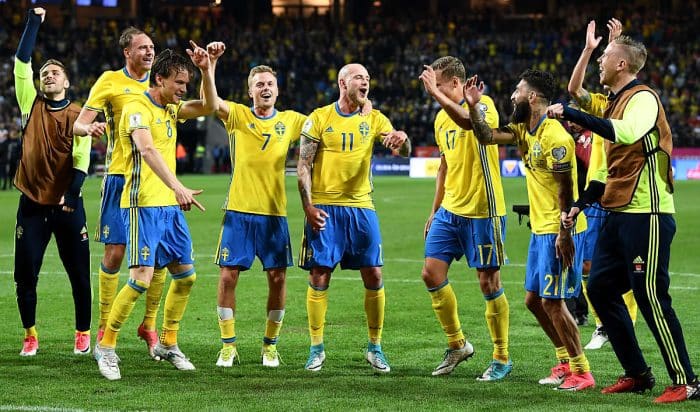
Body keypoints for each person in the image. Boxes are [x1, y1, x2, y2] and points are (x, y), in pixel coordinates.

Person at [548, 33, 700, 404]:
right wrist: (580, 204)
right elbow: (607, 170)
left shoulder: (644, 98)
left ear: (622, 64)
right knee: (599, 288)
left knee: (650, 293)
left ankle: (687, 380)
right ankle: (637, 373)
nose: (600, 61)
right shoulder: (615, 103)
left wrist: (571, 112)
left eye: (605, 56)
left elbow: (629, 133)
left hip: (647, 212)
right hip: (619, 212)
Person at [464, 69, 595, 391]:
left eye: (518, 91)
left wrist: (564, 233)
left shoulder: (556, 137)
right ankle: (564, 361)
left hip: (560, 228)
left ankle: (582, 372)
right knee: (534, 301)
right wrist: (472, 106)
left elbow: (567, 189)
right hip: (541, 228)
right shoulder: (525, 129)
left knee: (553, 302)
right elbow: (486, 136)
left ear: (532, 97)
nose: (512, 96)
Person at [95, 44, 217, 380]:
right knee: (140, 279)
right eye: (179, 83)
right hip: (142, 204)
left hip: (168, 208)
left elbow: (209, 105)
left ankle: (168, 342)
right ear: (159, 79)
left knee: (186, 276)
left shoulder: (172, 108)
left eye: (186, 84)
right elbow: (146, 149)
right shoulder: (137, 107)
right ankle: (105, 347)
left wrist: (208, 68)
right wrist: (177, 186)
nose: (183, 90)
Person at [297, 63, 410, 373]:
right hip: (325, 207)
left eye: (369, 79)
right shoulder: (319, 118)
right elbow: (304, 165)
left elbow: (404, 150)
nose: (366, 82)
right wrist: (307, 206)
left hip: (362, 206)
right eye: (360, 77)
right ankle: (316, 348)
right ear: (342, 82)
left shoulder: (375, 118)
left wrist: (402, 138)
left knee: (374, 273)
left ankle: (375, 347)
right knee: (320, 274)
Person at [207, 43, 307, 368]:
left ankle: (270, 346)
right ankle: (228, 345)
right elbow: (211, 101)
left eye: (270, 84)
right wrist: (209, 67)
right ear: (250, 91)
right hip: (238, 210)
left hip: (274, 214)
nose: (265, 88)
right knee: (227, 276)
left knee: (278, 278)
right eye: (259, 84)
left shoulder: (292, 121)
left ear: (278, 91)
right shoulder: (237, 115)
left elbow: (326, 127)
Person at [72, 26, 166, 356]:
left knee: (157, 257)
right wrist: (90, 128)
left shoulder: (161, 84)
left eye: (152, 47)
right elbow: (78, 124)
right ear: (127, 52)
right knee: (114, 253)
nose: (150, 52)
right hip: (118, 176)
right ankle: (102, 327)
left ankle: (149, 325)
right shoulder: (110, 81)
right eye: (142, 48)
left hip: (153, 181)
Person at [418, 56, 511, 380]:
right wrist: (434, 210)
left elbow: (470, 123)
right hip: (451, 210)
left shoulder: (482, 104)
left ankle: (501, 356)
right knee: (431, 274)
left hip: (484, 211)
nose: (436, 91)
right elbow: (444, 167)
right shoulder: (440, 120)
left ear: (455, 84)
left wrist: (435, 95)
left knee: (489, 282)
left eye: (440, 85)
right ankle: (458, 344)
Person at [12, 7, 93, 356]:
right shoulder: (29, 104)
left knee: (79, 274)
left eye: (55, 72)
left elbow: (82, 159)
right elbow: (20, 63)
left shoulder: (80, 115)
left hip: (68, 204)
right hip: (31, 202)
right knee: (25, 274)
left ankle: (83, 332)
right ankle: (30, 334)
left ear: (67, 82)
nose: (49, 75)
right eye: (45, 72)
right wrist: (34, 21)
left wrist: (71, 195)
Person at [566, 19, 638, 351]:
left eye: (607, 57)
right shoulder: (599, 104)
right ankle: (603, 324)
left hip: (625, 193)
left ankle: (625, 323)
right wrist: (591, 49)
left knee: (629, 265)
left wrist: (616, 44)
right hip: (597, 194)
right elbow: (574, 90)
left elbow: (628, 67)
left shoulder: (635, 103)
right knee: (590, 265)